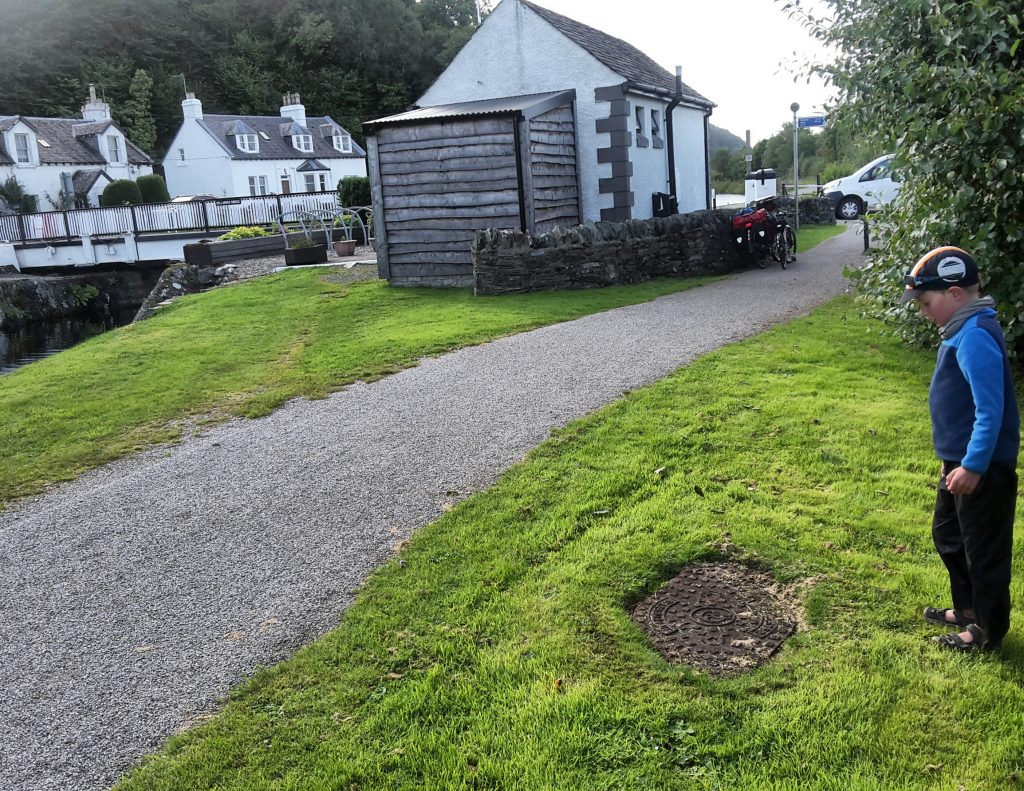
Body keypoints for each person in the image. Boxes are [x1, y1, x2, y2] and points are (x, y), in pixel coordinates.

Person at [899, 246, 1020, 651]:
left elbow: (991, 410)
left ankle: (986, 631)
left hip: (982, 467)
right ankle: (968, 608)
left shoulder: (975, 336)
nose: (922, 311)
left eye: (926, 302)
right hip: (961, 461)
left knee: (983, 550)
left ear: (954, 294)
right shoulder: (962, 330)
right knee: (949, 534)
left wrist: (973, 466)